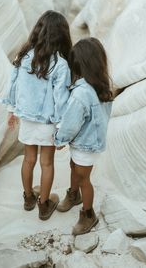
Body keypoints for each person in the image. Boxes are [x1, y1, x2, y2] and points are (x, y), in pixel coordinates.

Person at [1, 10, 72, 220]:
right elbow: (61, 99)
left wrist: (11, 110)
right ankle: (44, 205)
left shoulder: (23, 56)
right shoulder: (60, 64)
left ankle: (29, 198)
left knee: (29, 159)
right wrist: (62, 127)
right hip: (48, 122)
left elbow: (13, 84)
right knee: (47, 163)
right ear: (62, 35)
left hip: (27, 118)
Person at [54, 37, 113, 235]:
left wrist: (59, 139)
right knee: (75, 167)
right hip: (90, 141)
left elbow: (71, 123)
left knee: (83, 178)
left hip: (85, 143)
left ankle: (88, 214)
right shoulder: (100, 86)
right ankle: (73, 195)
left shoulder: (81, 93)